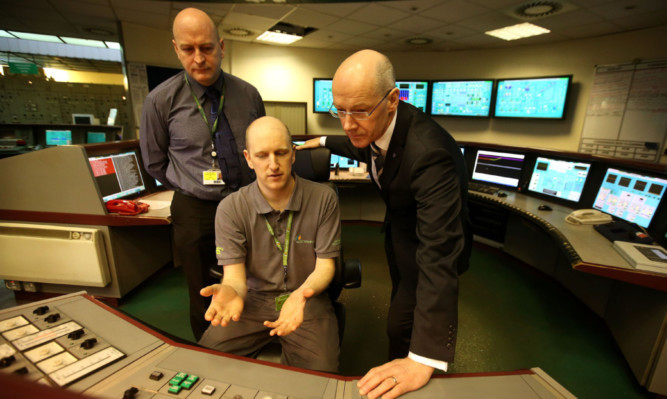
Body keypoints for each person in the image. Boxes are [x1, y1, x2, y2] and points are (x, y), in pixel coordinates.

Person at [298, 50, 471, 398]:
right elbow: (361, 146)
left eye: (359, 110)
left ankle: (404, 379)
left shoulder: (429, 153)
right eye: (339, 110)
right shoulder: (376, 127)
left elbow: (439, 254)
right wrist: (322, 141)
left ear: (393, 100)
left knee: (400, 328)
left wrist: (426, 357)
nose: (347, 124)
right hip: (401, 237)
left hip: (428, 248)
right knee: (401, 308)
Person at [140, 7, 265, 341]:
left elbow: (260, 147)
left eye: (206, 48)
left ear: (221, 47)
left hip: (246, 204)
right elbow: (154, 163)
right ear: (176, 49)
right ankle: (207, 350)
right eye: (188, 49)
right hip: (195, 210)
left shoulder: (248, 95)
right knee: (203, 291)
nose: (198, 58)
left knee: (253, 280)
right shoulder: (159, 101)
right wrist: (193, 183)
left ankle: (251, 342)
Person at [197, 116, 341, 373]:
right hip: (252, 301)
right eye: (262, 155)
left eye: (281, 153)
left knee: (321, 375)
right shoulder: (231, 208)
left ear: (293, 154)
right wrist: (231, 290)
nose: (273, 165)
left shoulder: (324, 199)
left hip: (305, 299)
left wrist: (301, 296)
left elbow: (325, 267)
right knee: (204, 364)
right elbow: (235, 277)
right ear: (248, 158)